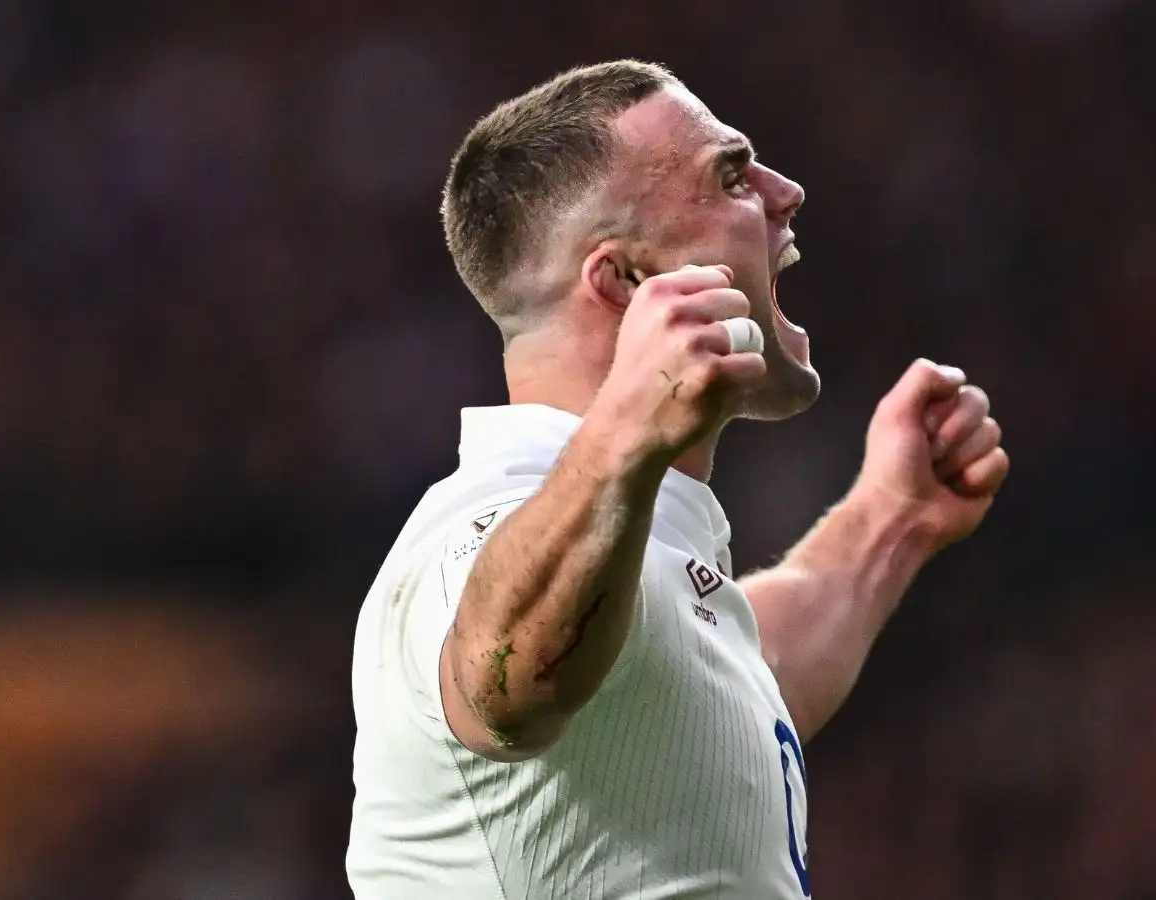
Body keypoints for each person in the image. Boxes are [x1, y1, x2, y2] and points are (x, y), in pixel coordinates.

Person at [346, 60, 1009, 899]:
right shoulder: (479, 524)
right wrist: (625, 431)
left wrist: (891, 517)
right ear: (626, 282)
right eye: (730, 175)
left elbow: (728, 679)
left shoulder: (635, 563)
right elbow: (501, 671)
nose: (786, 190)